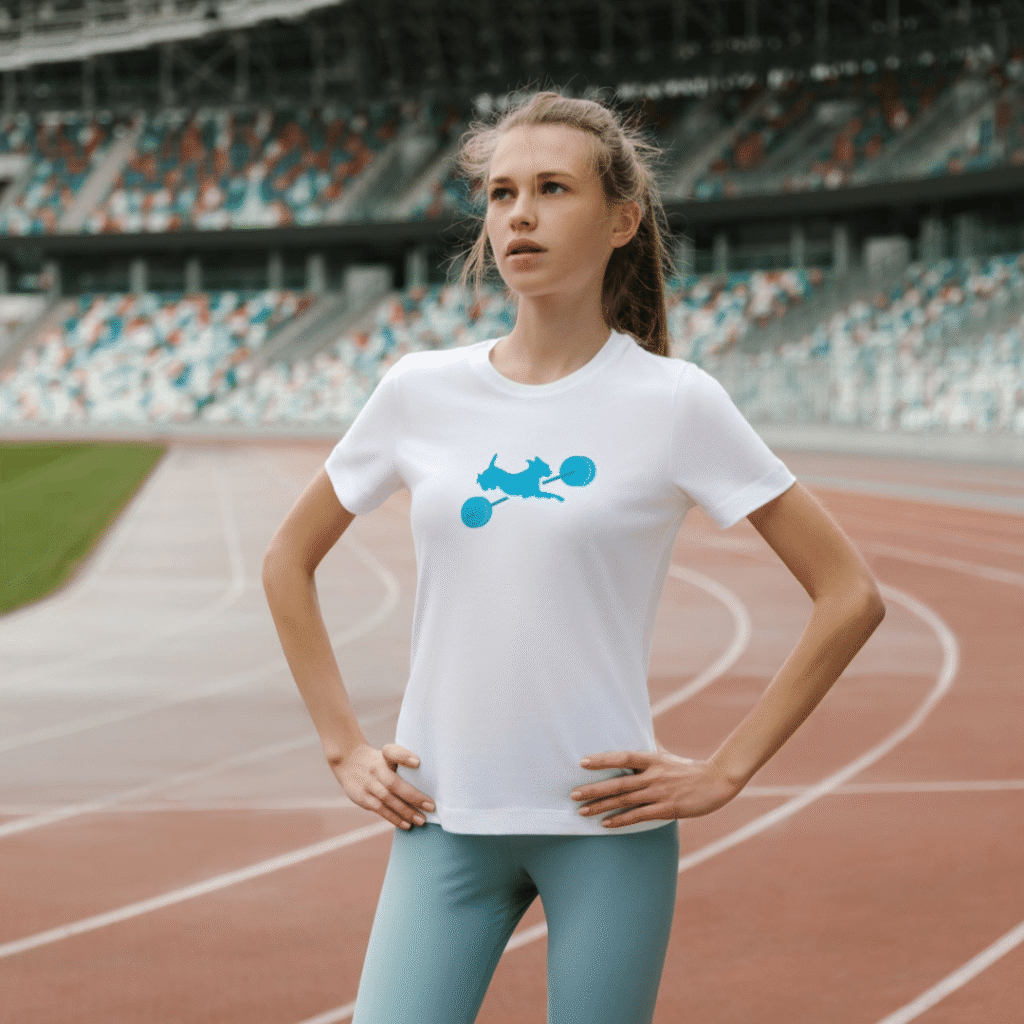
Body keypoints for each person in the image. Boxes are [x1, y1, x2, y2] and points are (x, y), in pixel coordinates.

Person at [262, 91, 886, 1024]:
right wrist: (342, 744)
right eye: (502, 192)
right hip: (443, 819)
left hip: (604, 828)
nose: (520, 212)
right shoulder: (418, 390)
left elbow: (849, 595)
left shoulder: (676, 403)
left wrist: (724, 771)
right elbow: (287, 560)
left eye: (553, 188)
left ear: (623, 219)